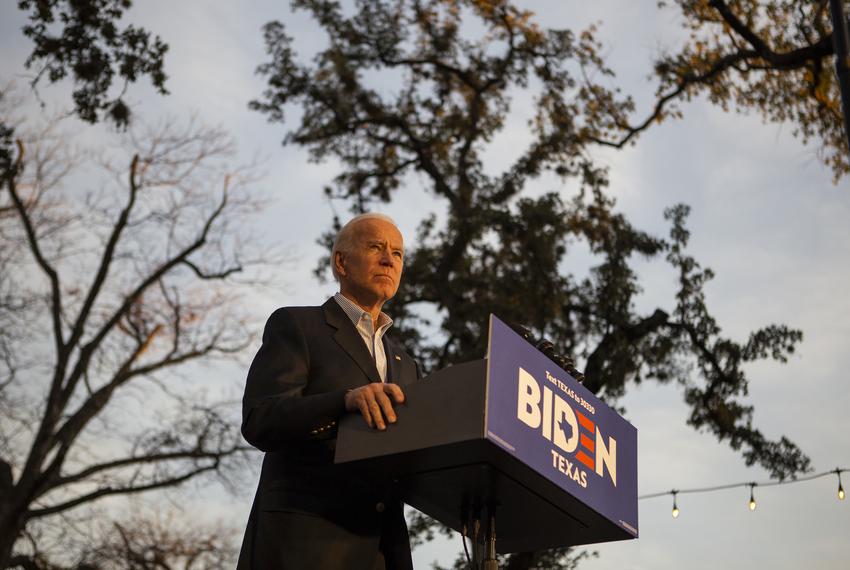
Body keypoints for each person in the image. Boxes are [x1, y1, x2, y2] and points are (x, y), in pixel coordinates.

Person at [237, 213, 420, 570]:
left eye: (397, 254)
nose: (389, 259)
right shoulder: (298, 326)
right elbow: (261, 419)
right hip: (305, 545)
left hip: (383, 552)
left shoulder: (407, 362)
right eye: (376, 247)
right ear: (341, 262)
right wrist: (345, 401)